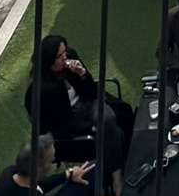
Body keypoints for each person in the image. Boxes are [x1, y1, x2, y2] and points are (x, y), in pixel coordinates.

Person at [25, 35, 130, 167]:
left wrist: (82, 74)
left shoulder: (70, 57)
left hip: (88, 104)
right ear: (48, 61)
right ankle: (117, 174)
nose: (65, 57)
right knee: (116, 133)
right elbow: (60, 127)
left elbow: (92, 93)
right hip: (70, 127)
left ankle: (120, 168)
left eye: (64, 52)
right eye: (58, 56)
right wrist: (90, 128)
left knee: (109, 119)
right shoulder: (41, 91)